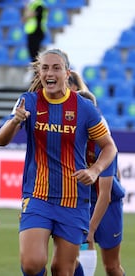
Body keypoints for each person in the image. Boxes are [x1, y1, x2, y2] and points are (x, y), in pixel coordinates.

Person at [0, 48, 117, 275]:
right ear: (39, 73)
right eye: (45, 68)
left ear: (66, 73)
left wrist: (94, 170)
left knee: (62, 270)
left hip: (73, 201)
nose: (49, 72)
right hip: (37, 195)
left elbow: (109, 146)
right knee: (32, 264)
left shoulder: (84, 108)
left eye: (56, 67)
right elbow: (1, 140)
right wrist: (14, 122)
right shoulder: (27, 101)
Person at [74, 90, 126, 276]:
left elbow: (106, 194)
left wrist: (92, 228)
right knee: (70, 261)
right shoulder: (69, 139)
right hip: (81, 202)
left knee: (111, 267)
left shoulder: (104, 144)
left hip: (108, 204)